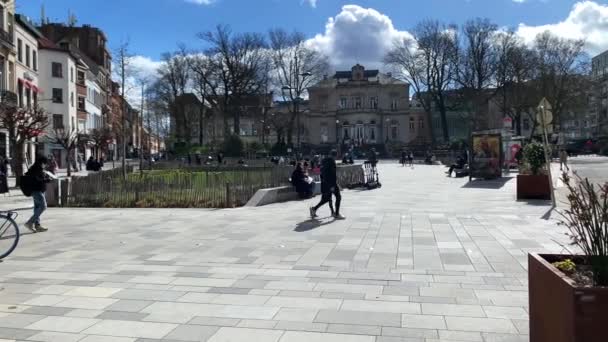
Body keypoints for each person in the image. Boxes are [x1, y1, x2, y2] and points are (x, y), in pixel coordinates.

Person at [310, 150, 345, 220]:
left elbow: (322, 173)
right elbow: (332, 175)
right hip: (331, 184)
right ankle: (337, 214)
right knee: (338, 197)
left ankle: (314, 209)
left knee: (326, 199)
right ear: (335, 155)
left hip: (325, 183)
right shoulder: (331, 162)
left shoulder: (324, 161)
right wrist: (332, 185)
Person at [24, 156, 51, 232]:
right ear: (42, 163)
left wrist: (45, 177)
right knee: (43, 206)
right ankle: (29, 222)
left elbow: (39, 178)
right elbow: (38, 180)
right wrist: (46, 180)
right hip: (36, 191)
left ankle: (37, 225)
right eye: (45, 164)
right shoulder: (36, 169)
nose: (45, 165)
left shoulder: (37, 168)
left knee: (37, 208)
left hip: (38, 190)